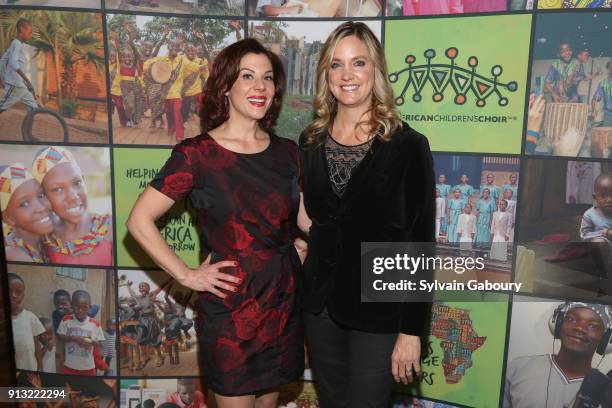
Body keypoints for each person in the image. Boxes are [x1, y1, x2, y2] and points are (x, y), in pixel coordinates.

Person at [126, 38, 303, 407]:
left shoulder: (288, 153)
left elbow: (306, 220)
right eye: (248, 76)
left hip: (281, 302)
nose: (260, 87)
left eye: (268, 78)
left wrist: (305, 246)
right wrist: (187, 275)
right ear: (225, 87)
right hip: (230, 308)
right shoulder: (197, 155)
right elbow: (139, 220)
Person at [298, 22, 434, 408]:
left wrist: (411, 332)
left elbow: (419, 242)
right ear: (326, 74)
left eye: (358, 62)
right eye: (336, 65)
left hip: (380, 309)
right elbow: (312, 218)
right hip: (321, 306)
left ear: (375, 71)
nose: (347, 75)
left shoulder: (408, 146)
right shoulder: (310, 142)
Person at [503, 302, 612, 408]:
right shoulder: (518, 368)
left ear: (606, 339)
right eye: (571, 319)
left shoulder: (606, 392)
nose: (579, 328)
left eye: (593, 326)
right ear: (557, 324)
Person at [32, 146, 113, 266]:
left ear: (84, 181)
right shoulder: (44, 237)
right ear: (43, 196)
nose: (73, 197)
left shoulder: (109, 227)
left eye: (77, 182)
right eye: (57, 189)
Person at [0, 163, 53, 262]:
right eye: (24, 204)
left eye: (41, 195)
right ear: (8, 218)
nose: (41, 207)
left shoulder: (45, 241)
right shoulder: (13, 255)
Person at [56, 290, 106, 376]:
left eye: (84, 307)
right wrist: (74, 338)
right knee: (68, 389)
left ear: (90, 307)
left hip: (88, 368)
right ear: (72, 306)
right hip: (69, 367)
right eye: (76, 307)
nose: (80, 310)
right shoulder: (66, 320)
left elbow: (100, 344)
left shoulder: (95, 324)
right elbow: (60, 336)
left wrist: (92, 342)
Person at [9, 273, 45, 372]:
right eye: (9, 290)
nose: (13, 295)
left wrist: (40, 367)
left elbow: (37, 345)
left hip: (29, 369)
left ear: (23, 295)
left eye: (18, 292)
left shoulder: (31, 318)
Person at [580, 172, 612, 282]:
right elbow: (584, 236)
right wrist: (606, 233)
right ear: (595, 197)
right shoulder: (590, 215)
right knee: (598, 243)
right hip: (602, 251)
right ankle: (601, 269)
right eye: (604, 196)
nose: (609, 200)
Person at [0, 19, 38, 114]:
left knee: (33, 107)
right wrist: (27, 80)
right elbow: (13, 63)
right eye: (29, 32)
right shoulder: (16, 44)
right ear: (22, 29)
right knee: (2, 106)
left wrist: (26, 83)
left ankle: (26, 129)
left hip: (19, 85)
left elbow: (3, 60)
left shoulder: (17, 45)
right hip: (14, 84)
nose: (31, 35)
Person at [591, 59, 612, 126]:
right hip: (608, 114)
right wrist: (594, 111)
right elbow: (595, 99)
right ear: (608, 69)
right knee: (606, 134)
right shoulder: (603, 83)